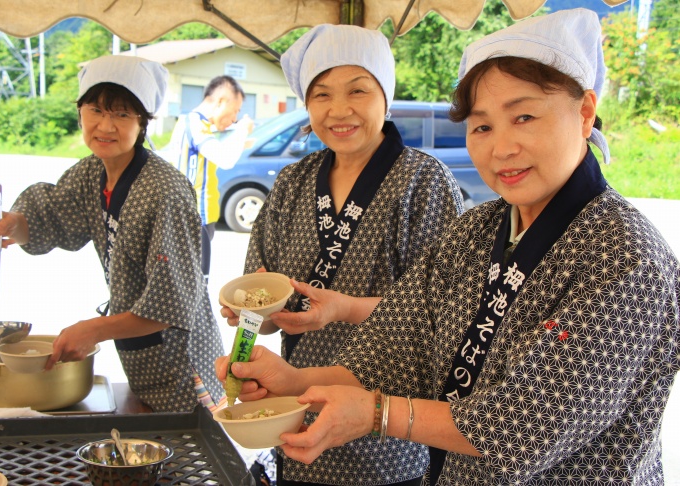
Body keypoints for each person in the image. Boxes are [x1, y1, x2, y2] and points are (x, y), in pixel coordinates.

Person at [217, 9, 680, 484]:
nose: (501, 148)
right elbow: (395, 349)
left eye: (523, 117)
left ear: (584, 112)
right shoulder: (475, 233)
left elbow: (521, 427)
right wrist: (291, 380)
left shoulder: (625, 255)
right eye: (481, 127)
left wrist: (378, 413)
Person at [221, 24, 465, 486]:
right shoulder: (292, 182)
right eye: (321, 95)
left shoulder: (424, 184)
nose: (339, 110)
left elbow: (440, 315)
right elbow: (262, 306)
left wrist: (341, 311)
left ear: (386, 97)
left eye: (359, 90)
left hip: (387, 433)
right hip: (297, 416)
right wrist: (244, 356)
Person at [0, 55, 226, 413]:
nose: (105, 126)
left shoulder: (164, 191)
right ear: (80, 112)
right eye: (96, 110)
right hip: (143, 359)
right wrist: (12, 224)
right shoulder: (92, 172)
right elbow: (53, 216)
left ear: (143, 122)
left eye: (122, 114)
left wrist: (93, 329)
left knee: (186, 458)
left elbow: (171, 305)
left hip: (185, 366)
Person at [166, 75, 254, 282]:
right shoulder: (196, 123)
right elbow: (225, 159)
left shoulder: (189, 122)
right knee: (196, 283)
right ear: (222, 101)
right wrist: (242, 130)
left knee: (188, 281)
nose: (234, 118)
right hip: (196, 218)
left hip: (190, 217)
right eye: (235, 110)